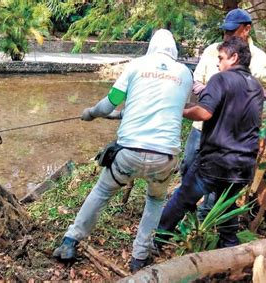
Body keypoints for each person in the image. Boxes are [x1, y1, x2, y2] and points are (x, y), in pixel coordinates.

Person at [52, 29, 193, 273]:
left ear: (151, 46)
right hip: (165, 158)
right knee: (155, 200)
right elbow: (169, 105)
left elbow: (109, 103)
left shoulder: (136, 66)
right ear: (174, 50)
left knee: (102, 191)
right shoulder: (185, 74)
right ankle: (139, 257)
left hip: (129, 154)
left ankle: (70, 241)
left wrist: (91, 113)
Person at [158, 36, 264, 248]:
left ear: (234, 58)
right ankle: (228, 246)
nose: (218, 62)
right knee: (226, 205)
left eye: (221, 57)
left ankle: (157, 240)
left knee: (183, 198)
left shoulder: (220, 79)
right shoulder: (256, 87)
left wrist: (177, 109)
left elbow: (204, 112)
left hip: (216, 161)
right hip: (243, 166)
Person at [179, 8, 266, 220]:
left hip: (231, 134)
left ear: (246, 29)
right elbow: (196, 81)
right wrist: (213, 94)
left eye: (232, 32)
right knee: (188, 166)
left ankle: (204, 222)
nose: (227, 36)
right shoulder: (211, 51)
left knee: (217, 179)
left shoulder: (260, 59)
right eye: (225, 32)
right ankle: (188, 213)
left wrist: (248, 95)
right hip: (202, 126)